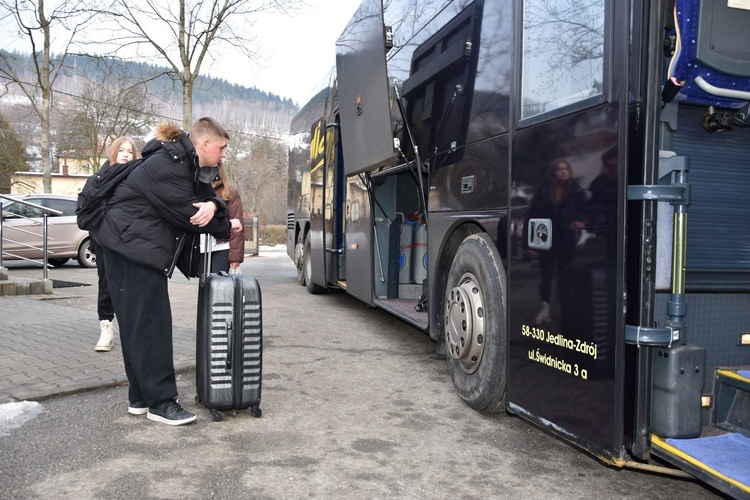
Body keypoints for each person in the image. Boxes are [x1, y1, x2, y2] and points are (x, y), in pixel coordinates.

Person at [96, 117, 243, 426]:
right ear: (205, 145)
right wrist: (227, 223)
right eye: (222, 148)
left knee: (139, 326)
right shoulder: (168, 165)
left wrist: (215, 206)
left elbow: (207, 197)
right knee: (152, 327)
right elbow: (189, 216)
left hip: (130, 249)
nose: (224, 154)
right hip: (129, 250)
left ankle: (140, 397)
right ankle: (161, 402)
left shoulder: (183, 162)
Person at [91, 137, 138, 352]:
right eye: (122, 150)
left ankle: (131, 332)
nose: (126, 154)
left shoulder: (139, 178)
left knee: (131, 287)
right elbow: (87, 207)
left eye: (130, 151)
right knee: (107, 284)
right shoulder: (99, 178)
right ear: (113, 153)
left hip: (132, 241)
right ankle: (106, 329)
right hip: (105, 240)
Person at [527, 159, 587, 324]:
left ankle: (562, 307)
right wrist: (530, 243)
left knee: (564, 274)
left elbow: (585, 210)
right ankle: (544, 307)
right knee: (546, 274)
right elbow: (531, 215)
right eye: (559, 169)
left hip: (567, 239)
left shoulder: (575, 190)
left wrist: (580, 222)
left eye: (566, 169)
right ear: (553, 173)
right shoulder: (543, 190)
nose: (563, 172)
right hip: (546, 240)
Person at [198, 161, 245, 273]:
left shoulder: (229, 193)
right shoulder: (195, 190)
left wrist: (235, 257)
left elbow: (237, 225)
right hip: (200, 246)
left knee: (218, 284)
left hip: (222, 247)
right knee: (204, 284)